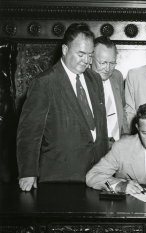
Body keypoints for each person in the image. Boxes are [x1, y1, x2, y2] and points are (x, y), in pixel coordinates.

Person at [17, 23, 109, 191]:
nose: (87, 61)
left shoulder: (95, 79)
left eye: (90, 55)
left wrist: (107, 167)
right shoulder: (44, 83)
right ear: (65, 50)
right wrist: (28, 172)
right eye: (81, 54)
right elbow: (29, 132)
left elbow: (101, 128)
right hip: (59, 177)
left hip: (96, 174)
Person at [92, 36, 129, 149]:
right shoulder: (82, 81)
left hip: (118, 147)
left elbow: (122, 109)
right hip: (95, 148)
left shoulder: (117, 76)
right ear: (90, 58)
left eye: (112, 63)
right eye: (103, 63)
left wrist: (125, 134)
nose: (108, 69)